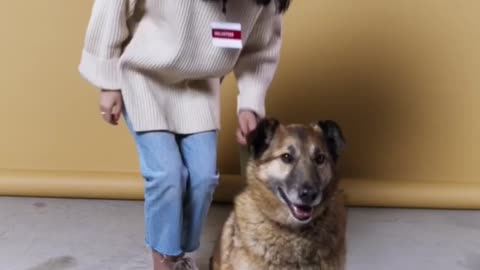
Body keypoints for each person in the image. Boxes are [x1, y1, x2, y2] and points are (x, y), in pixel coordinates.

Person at [78, 0, 289, 269]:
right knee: (166, 173)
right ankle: (164, 260)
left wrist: (250, 103)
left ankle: (178, 252)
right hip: (144, 77)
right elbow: (112, 7)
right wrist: (107, 82)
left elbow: (260, 49)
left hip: (198, 89)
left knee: (203, 178)